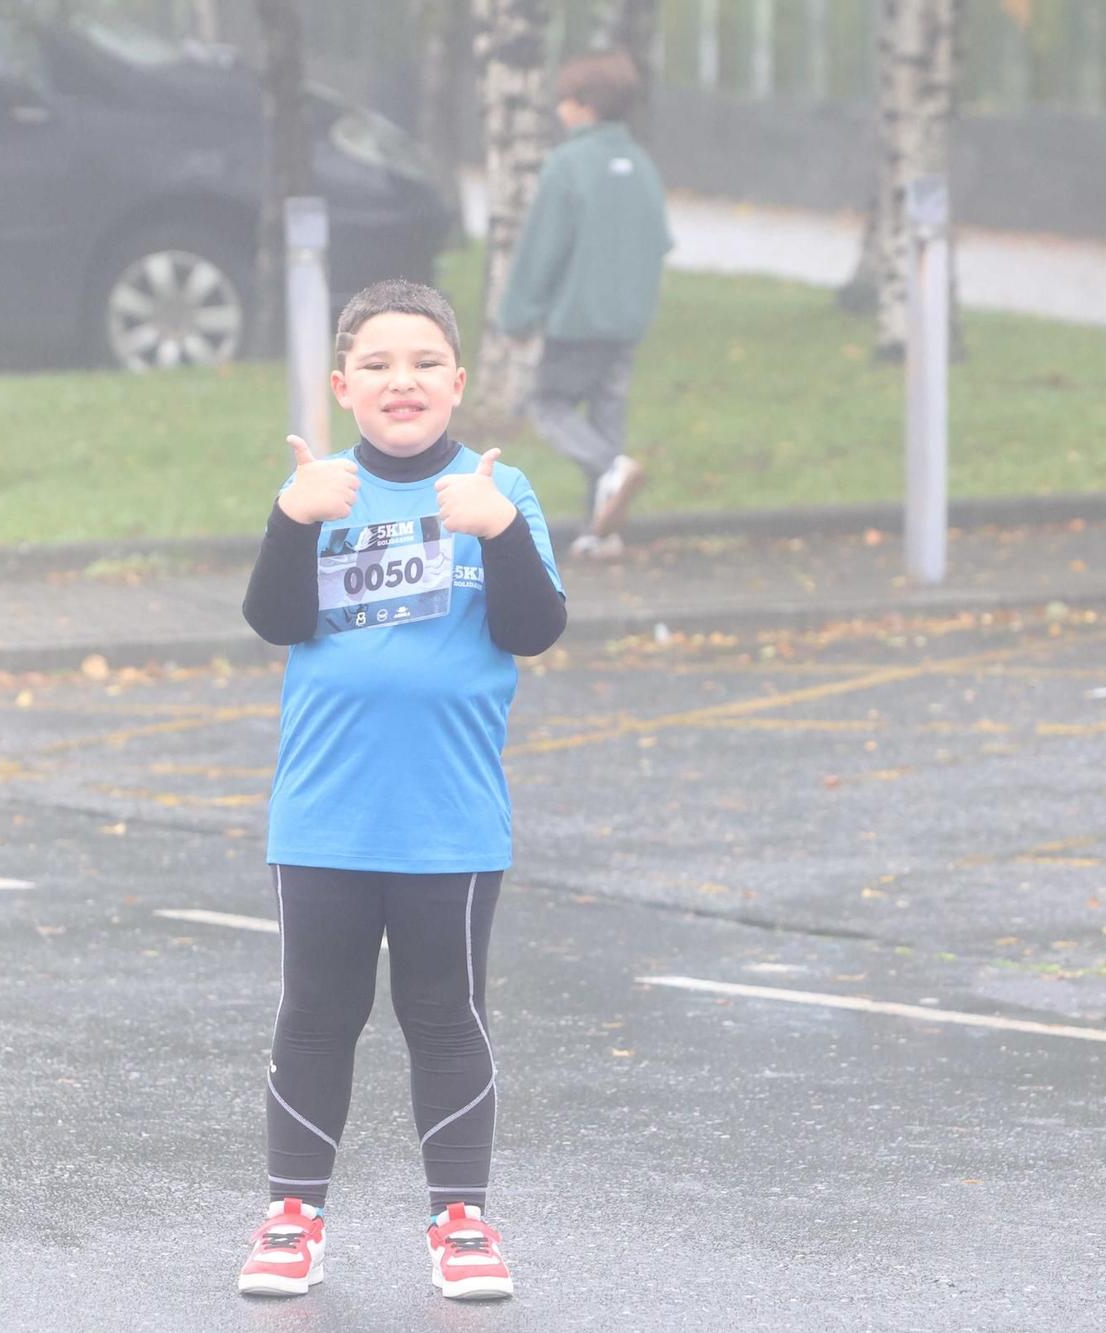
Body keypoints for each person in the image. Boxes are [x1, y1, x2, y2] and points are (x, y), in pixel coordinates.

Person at [236, 279, 565, 1302]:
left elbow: (531, 629)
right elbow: (274, 619)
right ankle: (293, 1218)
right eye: (376, 365)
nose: (401, 381)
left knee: (445, 1014)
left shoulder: (499, 493)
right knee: (314, 1014)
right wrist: (292, 523)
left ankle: (460, 1222)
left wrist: (497, 528)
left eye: (422, 362)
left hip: (450, 823)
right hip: (324, 816)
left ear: (456, 381)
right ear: (343, 386)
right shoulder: (317, 491)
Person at [497, 47, 673, 560]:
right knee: (605, 416)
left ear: (582, 105)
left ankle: (614, 469)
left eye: (563, 99)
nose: (558, 109)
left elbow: (541, 249)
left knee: (548, 406)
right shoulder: (642, 166)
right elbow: (659, 243)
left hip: (576, 320)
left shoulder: (567, 165)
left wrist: (517, 315)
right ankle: (603, 532)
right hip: (626, 322)